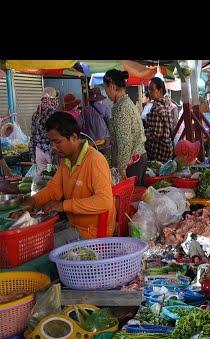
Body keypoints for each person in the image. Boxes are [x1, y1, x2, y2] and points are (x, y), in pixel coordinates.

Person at [18, 112, 115, 241]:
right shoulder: (66, 161)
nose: (53, 147)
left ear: (74, 137)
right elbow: (53, 190)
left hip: (92, 233)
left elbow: (104, 201)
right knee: (32, 235)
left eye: (57, 142)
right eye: (51, 142)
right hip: (74, 226)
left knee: (40, 244)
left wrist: (63, 205)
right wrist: (32, 202)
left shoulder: (95, 160)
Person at [103, 69, 147, 186]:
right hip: (136, 158)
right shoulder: (126, 102)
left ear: (111, 86)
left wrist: (122, 169)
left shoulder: (121, 108)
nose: (106, 92)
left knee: (130, 199)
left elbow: (125, 140)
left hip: (131, 163)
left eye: (105, 88)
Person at [144, 77, 174, 164]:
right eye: (149, 89)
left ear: (160, 91)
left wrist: (142, 133)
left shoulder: (157, 108)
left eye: (152, 89)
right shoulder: (165, 106)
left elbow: (157, 133)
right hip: (167, 150)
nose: (149, 92)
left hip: (159, 152)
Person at [30, 87, 59, 171]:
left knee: (42, 177)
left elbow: (33, 135)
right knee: (54, 174)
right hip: (52, 150)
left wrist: (32, 152)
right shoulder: (54, 114)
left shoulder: (36, 114)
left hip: (39, 150)